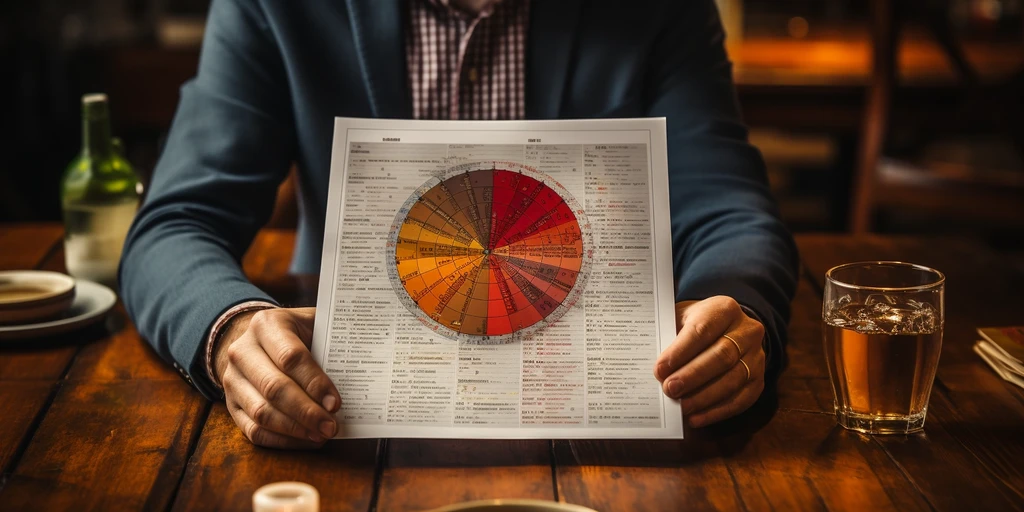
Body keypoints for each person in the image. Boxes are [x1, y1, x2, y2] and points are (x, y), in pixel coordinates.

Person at [120, 0, 799, 449]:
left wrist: (735, 308)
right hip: (349, 407)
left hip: (602, 408)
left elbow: (728, 211)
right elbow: (176, 223)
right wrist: (232, 326)